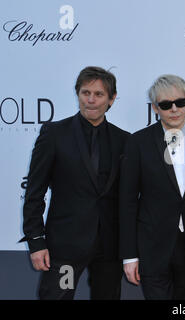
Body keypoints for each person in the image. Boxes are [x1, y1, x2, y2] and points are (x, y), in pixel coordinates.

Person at [20, 66, 130, 299]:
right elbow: (34, 192)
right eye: (85, 93)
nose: (90, 100)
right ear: (77, 94)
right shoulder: (55, 134)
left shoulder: (124, 140)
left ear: (112, 99)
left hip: (109, 250)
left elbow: (128, 198)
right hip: (66, 249)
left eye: (98, 94)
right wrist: (36, 242)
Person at [119, 74, 185, 300]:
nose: (174, 109)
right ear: (156, 108)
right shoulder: (138, 143)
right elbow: (127, 202)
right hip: (153, 246)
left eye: (181, 102)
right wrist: (129, 256)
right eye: (166, 105)